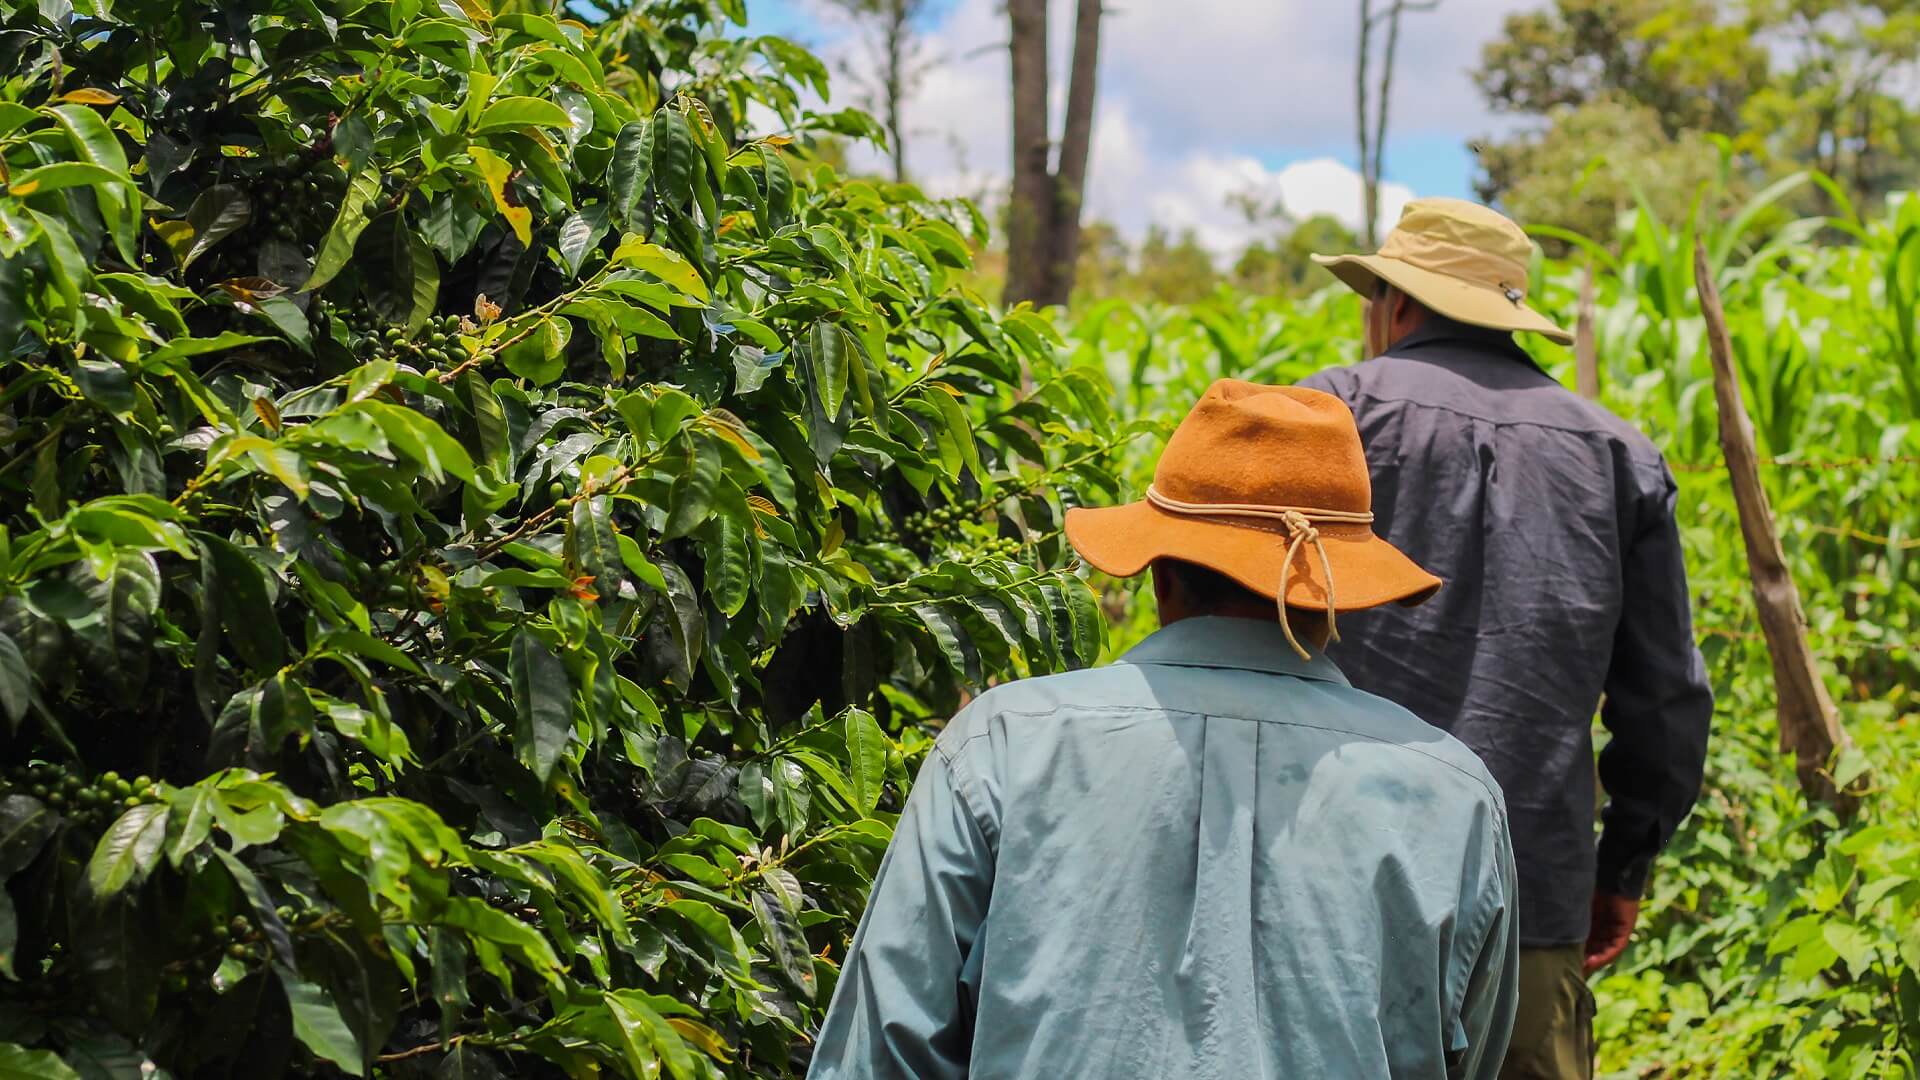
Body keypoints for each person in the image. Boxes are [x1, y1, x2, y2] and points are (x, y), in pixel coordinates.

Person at [809, 380, 1520, 1079]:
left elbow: (882, 1052)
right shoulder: (1454, 794)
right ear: (1334, 599)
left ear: (1160, 577)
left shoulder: (1003, 746)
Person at [1301, 198, 1714, 1080]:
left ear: (1397, 304)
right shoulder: (1618, 454)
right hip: (1531, 887)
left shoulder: (1329, 414)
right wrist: (1624, 868)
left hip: (1330, 887)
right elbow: (1665, 702)